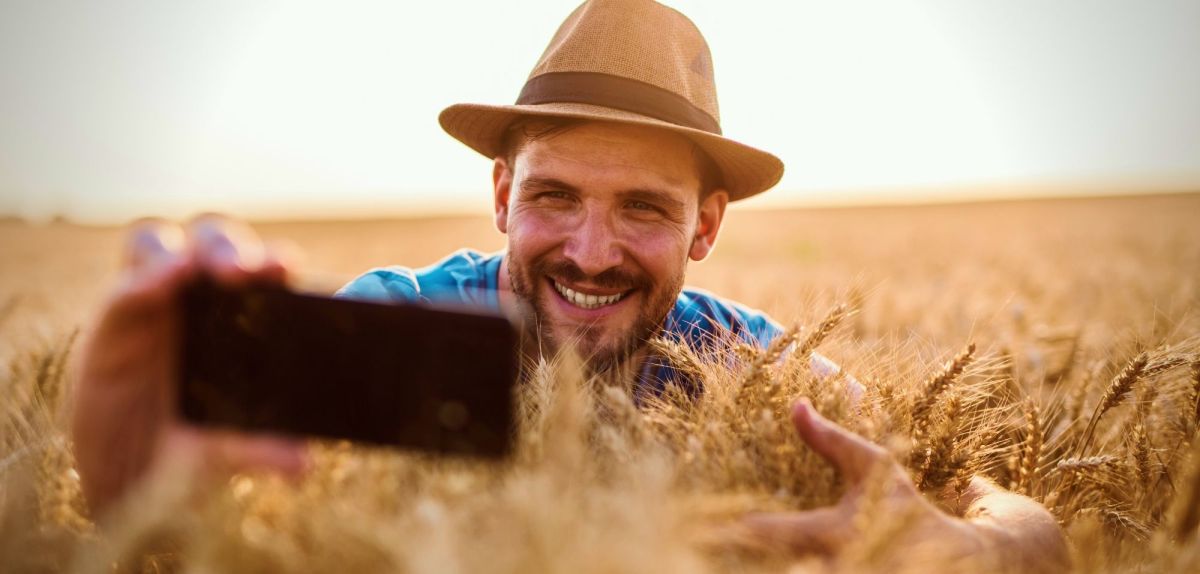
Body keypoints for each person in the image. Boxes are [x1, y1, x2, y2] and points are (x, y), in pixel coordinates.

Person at [70, 0, 1068, 569]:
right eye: (554, 196)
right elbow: (186, 492)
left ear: (706, 225)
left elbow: (1023, 519)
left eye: (642, 207)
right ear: (502, 193)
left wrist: (975, 551)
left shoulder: (762, 373)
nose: (591, 252)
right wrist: (127, 484)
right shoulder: (406, 321)